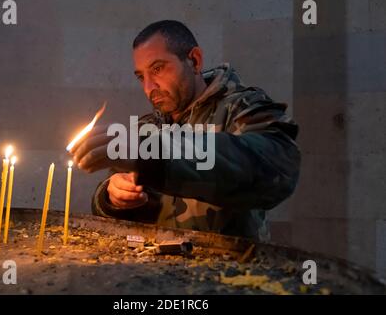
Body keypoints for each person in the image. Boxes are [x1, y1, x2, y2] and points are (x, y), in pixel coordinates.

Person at [69, 20, 300, 241]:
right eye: (141, 77)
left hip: (228, 272)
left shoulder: (241, 107)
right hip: (158, 275)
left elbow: (277, 168)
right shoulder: (146, 127)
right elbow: (112, 204)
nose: (149, 88)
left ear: (195, 61)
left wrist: (156, 155)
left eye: (157, 69)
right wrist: (112, 197)